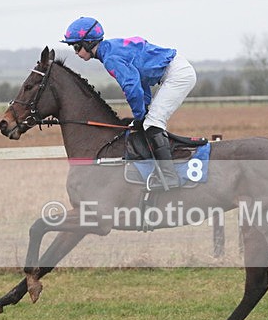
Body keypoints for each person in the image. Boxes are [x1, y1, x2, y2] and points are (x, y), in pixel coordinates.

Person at [62, 16, 196, 190]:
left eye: (77, 46)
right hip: (174, 71)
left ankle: (170, 178)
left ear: (88, 43)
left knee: (153, 123)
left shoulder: (110, 57)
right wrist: (143, 109)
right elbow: (141, 81)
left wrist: (140, 115)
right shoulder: (110, 50)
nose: (76, 52)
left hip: (177, 75)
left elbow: (132, 87)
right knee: (148, 121)